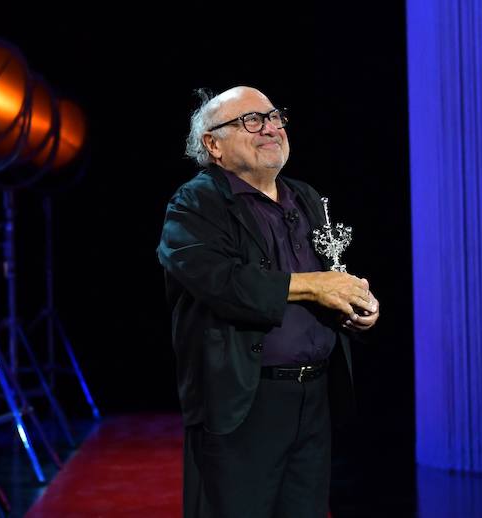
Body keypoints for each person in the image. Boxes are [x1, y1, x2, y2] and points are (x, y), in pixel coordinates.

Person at [157, 86, 380, 518]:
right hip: (243, 403)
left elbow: (332, 276)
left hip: (314, 398)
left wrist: (357, 308)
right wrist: (314, 286)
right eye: (251, 121)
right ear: (212, 145)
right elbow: (222, 283)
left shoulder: (307, 197)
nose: (270, 128)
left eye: (275, 117)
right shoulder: (194, 204)